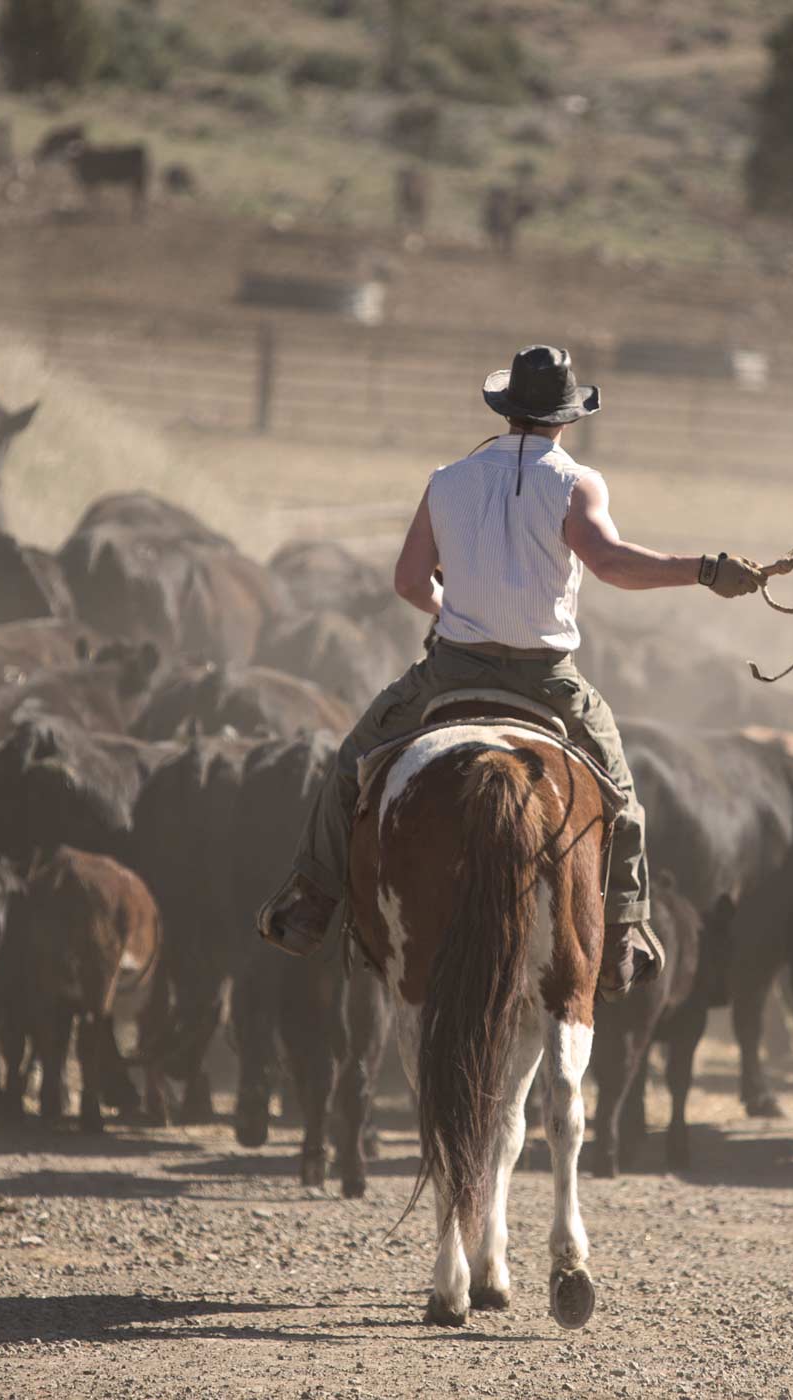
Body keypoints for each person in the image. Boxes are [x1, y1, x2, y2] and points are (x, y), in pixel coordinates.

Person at [255, 344, 767, 993]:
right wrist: (704, 569)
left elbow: (410, 581)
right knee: (622, 793)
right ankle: (623, 930)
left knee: (353, 762)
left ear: (506, 410)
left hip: (451, 670)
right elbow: (609, 563)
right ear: (566, 417)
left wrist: (455, 608)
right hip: (545, 680)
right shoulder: (577, 482)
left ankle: (312, 901)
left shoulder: (448, 480)